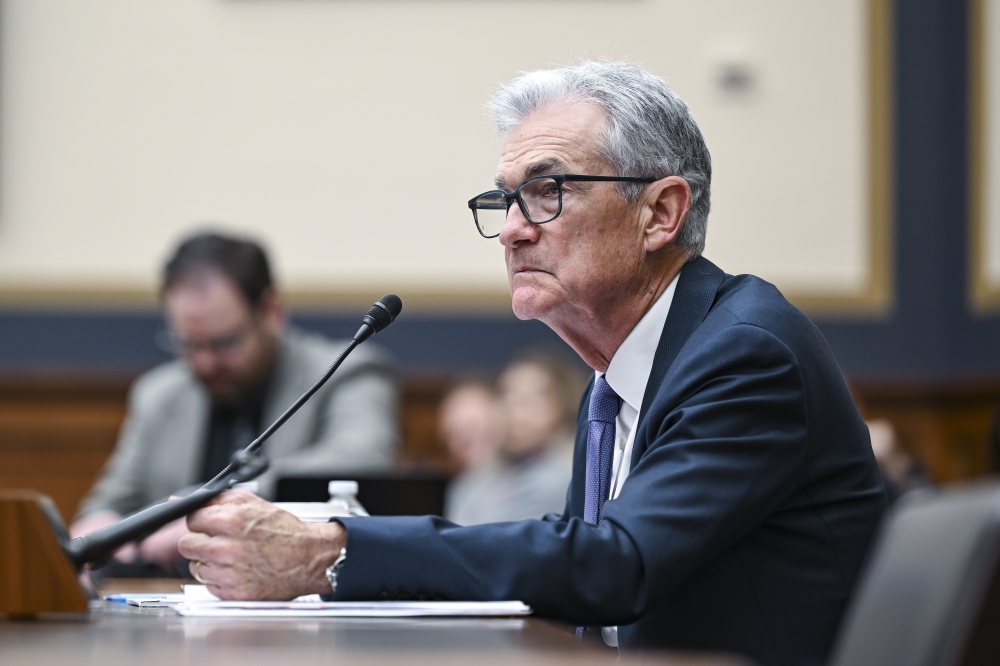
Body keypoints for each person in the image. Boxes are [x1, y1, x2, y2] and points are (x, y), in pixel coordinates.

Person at [177, 62, 887, 665]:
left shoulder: (745, 353)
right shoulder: (613, 383)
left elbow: (615, 563)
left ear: (661, 214)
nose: (513, 230)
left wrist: (328, 552)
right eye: (504, 199)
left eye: (549, 191)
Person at [72, 232, 399, 573]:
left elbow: (363, 460)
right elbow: (111, 501)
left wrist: (213, 508)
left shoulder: (348, 372)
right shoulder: (159, 394)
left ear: (270, 311)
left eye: (224, 343)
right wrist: (98, 526)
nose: (205, 363)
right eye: (188, 344)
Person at [444, 354, 583, 525]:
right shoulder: (489, 471)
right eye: (506, 397)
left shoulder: (564, 478)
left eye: (528, 401)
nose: (513, 412)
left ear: (561, 408)